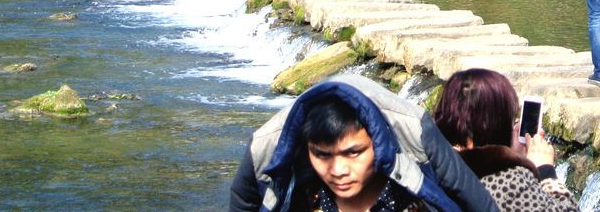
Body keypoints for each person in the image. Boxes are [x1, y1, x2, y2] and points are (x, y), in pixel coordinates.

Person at [228, 73, 498, 212]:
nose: (338, 170)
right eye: (322, 155)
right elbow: (243, 202)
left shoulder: (414, 131)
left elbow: (477, 202)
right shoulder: (267, 147)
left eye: (353, 152)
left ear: (377, 145)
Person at [432, 69, 578, 212]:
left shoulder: (435, 164)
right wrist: (545, 171)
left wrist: (510, 156)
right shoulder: (509, 181)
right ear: (497, 125)